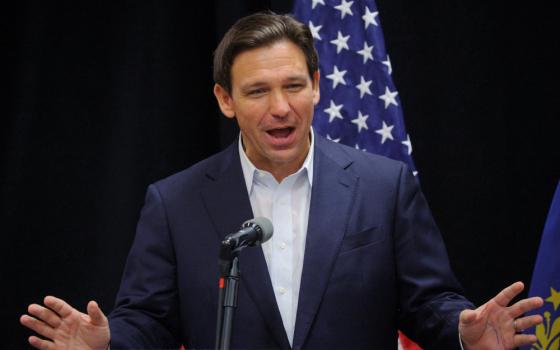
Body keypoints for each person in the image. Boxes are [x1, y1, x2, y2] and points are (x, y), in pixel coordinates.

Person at [20, 12, 543, 350]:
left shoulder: (385, 187)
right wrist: (109, 340)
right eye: (257, 91)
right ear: (225, 100)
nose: (280, 107)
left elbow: (428, 303)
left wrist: (460, 330)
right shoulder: (175, 201)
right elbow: (151, 320)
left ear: (317, 87)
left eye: (294, 85)